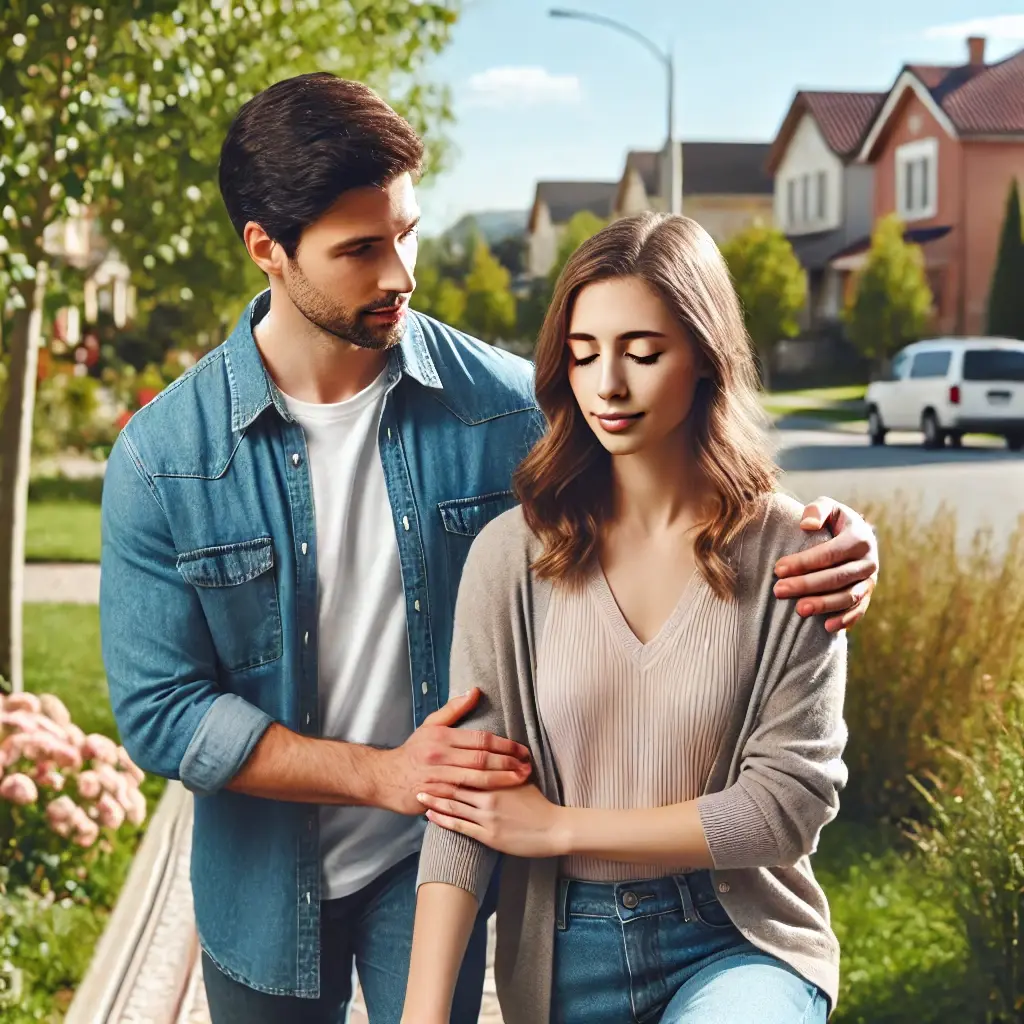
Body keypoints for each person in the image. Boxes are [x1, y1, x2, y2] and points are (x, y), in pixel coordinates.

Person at [99, 73, 876, 1024]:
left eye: (408, 232)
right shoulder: (165, 459)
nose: (401, 274)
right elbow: (162, 710)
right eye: (361, 250)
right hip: (263, 880)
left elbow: (667, 466)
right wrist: (382, 773)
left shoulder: (507, 408)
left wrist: (832, 533)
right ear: (265, 247)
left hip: (436, 861)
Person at [404, 213, 852, 1024]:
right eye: (583, 354)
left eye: (643, 354)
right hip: (566, 953)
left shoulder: (799, 552)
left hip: (739, 940)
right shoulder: (512, 558)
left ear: (706, 360)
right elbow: (468, 806)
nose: (607, 383)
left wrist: (559, 830)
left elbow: (786, 808)